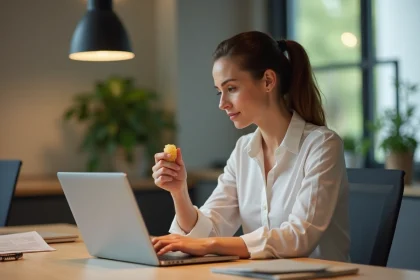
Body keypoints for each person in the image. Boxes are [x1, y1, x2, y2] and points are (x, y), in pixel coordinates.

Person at [151, 31, 350, 261]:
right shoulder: (243, 150)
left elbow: (298, 237)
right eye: (219, 91)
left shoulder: (322, 145)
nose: (222, 104)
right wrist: (179, 191)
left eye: (231, 88)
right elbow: (208, 230)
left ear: (268, 81)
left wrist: (209, 244)